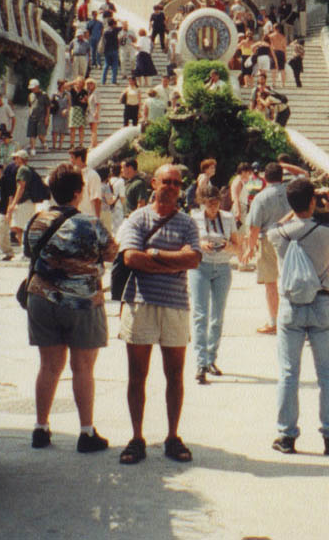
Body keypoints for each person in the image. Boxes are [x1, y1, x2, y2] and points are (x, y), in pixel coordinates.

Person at [25, 162, 118, 452]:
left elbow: (30, 251)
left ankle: (41, 428)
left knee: (49, 366)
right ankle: (86, 432)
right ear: (79, 193)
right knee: (83, 367)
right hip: (82, 302)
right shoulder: (90, 224)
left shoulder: (37, 220)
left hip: (42, 299)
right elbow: (112, 253)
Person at [117, 163, 203, 465]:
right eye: (167, 181)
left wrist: (154, 254)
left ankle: (172, 435)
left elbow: (194, 258)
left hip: (175, 305)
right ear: (154, 183)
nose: (172, 187)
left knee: (175, 375)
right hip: (141, 303)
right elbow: (130, 257)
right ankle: (137, 437)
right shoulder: (138, 218)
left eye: (178, 184)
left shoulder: (188, 222)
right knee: (137, 375)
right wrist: (173, 261)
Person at [269, 177, 329, 455]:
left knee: (289, 373)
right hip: (321, 303)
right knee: (327, 373)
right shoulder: (325, 231)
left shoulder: (278, 234)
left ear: (290, 204)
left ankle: (286, 436)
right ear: (313, 202)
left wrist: (296, 208)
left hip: (291, 305)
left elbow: (281, 223)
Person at [188, 186, 241, 383]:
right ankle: (201, 362)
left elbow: (238, 248)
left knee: (217, 316)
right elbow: (187, 244)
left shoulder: (227, 219)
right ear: (202, 203)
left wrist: (229, 246)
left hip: (222, 268)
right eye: (209, 204)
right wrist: (200, 244)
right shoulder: (194, 218)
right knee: (201, 314)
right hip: (200, 267)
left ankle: (211, 358)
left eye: (216, 203)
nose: (213, 208)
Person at [244, 162, 290, 334]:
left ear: (265, 177)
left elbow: (254, 227)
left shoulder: (261, 197)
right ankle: (292, 320)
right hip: (291, 238)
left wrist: (249, 247)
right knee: (291, 282)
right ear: (281, 177)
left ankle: (274, 321)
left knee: (271, 283)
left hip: (268, 240)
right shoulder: (290, 193)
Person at [6, 149, 41, 250]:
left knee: (20, 227)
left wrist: (13, 203)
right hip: (27, 202)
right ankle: (25, 249)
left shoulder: (22, 170)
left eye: (16, 158)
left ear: (21, 159)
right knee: (18, 227)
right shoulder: (27, 169)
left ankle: (25, 250)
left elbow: (21, 187)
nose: (14, 160)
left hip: (24, 202)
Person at [70, 146, 102, 220]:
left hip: (88, 218)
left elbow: (96, 199)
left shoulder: (92, 175)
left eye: (72, 157)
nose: (70, 160)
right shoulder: (72, 175)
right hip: (75, 217)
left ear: (79, 158)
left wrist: (97, 220)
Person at [26, 79, 48, 155]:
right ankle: (33, 149)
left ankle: (45, 144)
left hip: (41, 117)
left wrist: (47, 118)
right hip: (32, 117)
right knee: (31, 134)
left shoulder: (44, 95)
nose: (32, 89)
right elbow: (30, 106)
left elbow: (48, 107)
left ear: (37, 86)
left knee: (40, 134)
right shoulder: (30, 95)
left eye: (33, 87)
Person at [67, 78, 89, 149]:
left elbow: (86, 100)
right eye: (78, 82)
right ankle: (72, 144)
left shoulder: (84, 91)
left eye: (80, 82)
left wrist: (84, 101)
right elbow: (65, 86)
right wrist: (73, 82)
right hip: (74, 109)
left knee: (81, 127)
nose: (79, 83)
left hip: (81, 109)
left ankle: (81, 144)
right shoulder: (72, 90)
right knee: (72, 127)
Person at [50, 80, 71, 152]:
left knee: (63, 130)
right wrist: (52, 106)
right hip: (57, 113)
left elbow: (69, 104)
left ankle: (60, 146)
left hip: (64, 113)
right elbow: (51, 103)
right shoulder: (54, 94)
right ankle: (54, 146)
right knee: (55, 129)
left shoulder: (67, 94)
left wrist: (67, 110)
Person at [101, 20, 121, 85]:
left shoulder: (105, 31)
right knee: (115, 66)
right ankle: (113, 81)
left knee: (106, 65)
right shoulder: (115, 30)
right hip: (114, 50)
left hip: (107, 50)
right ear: (113, 24)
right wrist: (120, 21)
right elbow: (123, 26)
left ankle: (103, 81)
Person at [85, 78, 102, 149]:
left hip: (94, 112)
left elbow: (98, 104)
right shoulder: (90, 93)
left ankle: (93, 144)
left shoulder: (96, 92)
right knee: (92, 129)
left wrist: (96, 113)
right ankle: (94, 143)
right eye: (88, 84)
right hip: (90, 113)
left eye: (91, 84)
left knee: (94, 129)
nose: (89, 85)